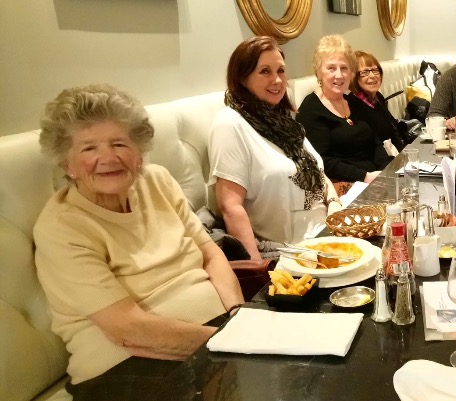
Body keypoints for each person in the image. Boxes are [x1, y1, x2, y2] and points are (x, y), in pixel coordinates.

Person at [33, 84, 245, 390]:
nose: (108, 157)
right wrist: (230, 344)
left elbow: (210, 254)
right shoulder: (62, 227)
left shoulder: (157, 181)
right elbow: (127, 329)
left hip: (216, 336)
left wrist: (238, 317)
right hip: (124, 367)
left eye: (119, 143)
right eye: (89, 148)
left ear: (139, 152)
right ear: (67, 164)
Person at [210, 36, 341, 260]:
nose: (277, 80)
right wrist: (257, 270)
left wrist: (334, 203)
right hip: (289, 254)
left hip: (328, 235)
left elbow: (318, 170)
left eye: (281, 70)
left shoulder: (283, 121)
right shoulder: (230, 124)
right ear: (242, 78)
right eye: (265, 71)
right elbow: (230, 208)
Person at [297, 35, 390, 194]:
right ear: (319, 73)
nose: (339, 75)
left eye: (344, 68)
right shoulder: (310, 109)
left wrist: (387, 171)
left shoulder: (353, 102)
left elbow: (375, 143)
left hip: (374, 178)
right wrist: (365, 176)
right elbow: (322, 160)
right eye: (331, 68)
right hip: (341, 186)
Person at [350, 50, 407, 153]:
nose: (372, 76)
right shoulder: (352, 104)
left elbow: (393, 133)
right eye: (365, 72)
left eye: (375, 70)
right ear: (354, 77)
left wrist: (404, 155)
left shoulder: (378, 97)